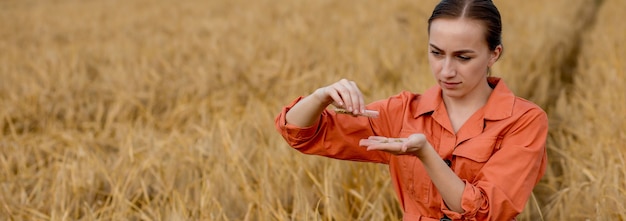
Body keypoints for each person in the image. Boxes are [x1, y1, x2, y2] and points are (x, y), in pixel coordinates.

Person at [274, 0, 548, 220]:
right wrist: (321, 96)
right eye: (436, 53)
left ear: (494, 54)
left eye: (463, 57)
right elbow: (302, 134)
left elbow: (486, 212)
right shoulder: (402, 112)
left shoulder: (524, 121)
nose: (446, 70)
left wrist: (425, 153)